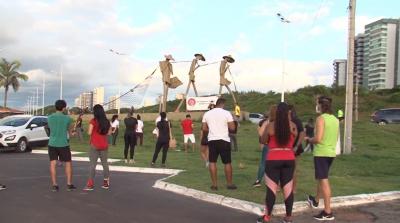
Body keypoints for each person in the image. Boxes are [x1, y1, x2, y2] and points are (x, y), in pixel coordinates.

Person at [257, 102, 298, 223]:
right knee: (288, 189)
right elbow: (293, 140)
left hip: (273, 158)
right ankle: (288, 217)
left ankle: (267, 217)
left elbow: (263, 140)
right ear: (287, 113)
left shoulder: (270, 126)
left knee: (271, 189)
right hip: (289, 158)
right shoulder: (292, 125)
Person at [306, 96, 339, 221]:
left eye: (317, 104)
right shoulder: (335, 119)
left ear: (321, 105)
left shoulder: (321, 119)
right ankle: (316, 200)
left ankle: (327, 211)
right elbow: (336, 138)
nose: (316, 106)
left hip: (321, 153)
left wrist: (309, 139)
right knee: (321, 178)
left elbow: (318, 138)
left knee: (324, 180)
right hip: (330, 153)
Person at [202, 98, 237, 190]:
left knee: (212, 162)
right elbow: (232, 128)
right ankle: (229, 184)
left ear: (216, 104)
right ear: (223, 104)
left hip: (212, 140)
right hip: (224, 140)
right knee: (227, 162)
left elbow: (204, 129)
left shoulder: (207, 113)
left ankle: (214, 185)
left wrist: (210, 132)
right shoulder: (226, 113)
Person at [47, 100, 76, 192]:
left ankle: (54, 185)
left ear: (55, 107)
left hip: (52, 143)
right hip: (63, 144)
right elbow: (70, 134)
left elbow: (51, 129)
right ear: (63, 108)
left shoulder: (49, 117)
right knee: (68, 163)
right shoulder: (67, 118)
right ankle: (69, 184)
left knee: (53, 163)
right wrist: (73, 133)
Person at [84, 104, 112, 191]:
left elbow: (89, 132)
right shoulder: (107, 121)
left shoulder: (93, 121)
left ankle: (90, 184)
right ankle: (106, 182)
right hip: (104, 145)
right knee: (105, 164)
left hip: (94, 145)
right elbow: (109, 133)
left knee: (93, 165)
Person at [253, 105, 277, 187]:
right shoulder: (283, 122)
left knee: (263, 163)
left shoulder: (268, 122)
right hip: (279, 147)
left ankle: (258, 180)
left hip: (268, 145)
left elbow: (260, 133)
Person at [288, 105, 305, 193]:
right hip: (287, 148)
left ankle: (293, 188)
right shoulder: (285, 121)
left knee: (293, 168)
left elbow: (302, 133)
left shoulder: (297, 121)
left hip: (295, 148)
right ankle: (282, 186)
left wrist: (296, 146)